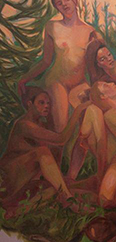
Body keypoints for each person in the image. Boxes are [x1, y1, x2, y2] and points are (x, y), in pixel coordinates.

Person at [17, 0, 97, 131]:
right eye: (59, 3)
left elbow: (94, 65)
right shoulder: (52, 26)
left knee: (89, 123)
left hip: (79, 83)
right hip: (57, 81)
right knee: (61, 126)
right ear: (57, 8)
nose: (64, 4)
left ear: (74, 1)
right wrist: (25, 78)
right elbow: (46, 61)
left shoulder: (90, 31)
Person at [0, 87, 89, 216]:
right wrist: (78, 110)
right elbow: (61, 139)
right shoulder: (24, 125)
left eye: (48, 103)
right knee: (42, 152)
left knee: (59, 187)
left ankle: (19, 211)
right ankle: (68, 200)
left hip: (24, 181)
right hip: (8, 180)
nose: (46, 106)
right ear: (29, 104)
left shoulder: (41, 125)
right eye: (41, 102)